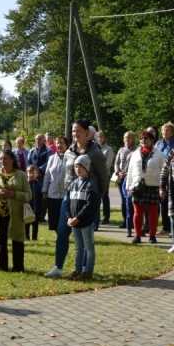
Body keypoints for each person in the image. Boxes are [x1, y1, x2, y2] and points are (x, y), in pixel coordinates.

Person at [44, 118, 108, 278]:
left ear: (87, 133)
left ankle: (85, 270)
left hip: (87, 200)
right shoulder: (69, 152)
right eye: (73, 131)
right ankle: (58, 267)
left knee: (85, 236)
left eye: (78, 131)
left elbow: (103, 178)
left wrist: (96, 198)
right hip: (69, 198)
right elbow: (67, 174)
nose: (75, 134)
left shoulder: (96, 153)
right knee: (62, 230)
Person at [0, 149, 31, 272]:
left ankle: (18, 267)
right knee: (1, 240)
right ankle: (2, 266)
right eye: (0, 159)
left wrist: (14, 194)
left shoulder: (21, 175)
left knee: (17, 239)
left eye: (5, 158)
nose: (2, 161)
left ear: (12, 160)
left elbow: (28, 195)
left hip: (16, 213)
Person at [126, 130, 165, 244]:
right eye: (142, 138)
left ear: (152, 140)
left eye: (146, 138)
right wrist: (129, 186)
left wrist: (163, 186)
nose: (143, 140)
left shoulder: (159, 153)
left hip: (153, 186)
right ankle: (137, 235)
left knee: (153, 212)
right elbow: (130, 170)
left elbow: (164, 170)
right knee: (138, 212)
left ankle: (152, 236)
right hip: (138, 186)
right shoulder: (135, 153)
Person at [67, 154, 100, 280]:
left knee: (88, 246)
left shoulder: (91, 185)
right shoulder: (73, 184)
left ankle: (88, 271)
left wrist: (78, 218)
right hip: (74, 222)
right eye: (75, 166)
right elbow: (68, 203)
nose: (77, 169)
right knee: (78, 247)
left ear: (86, 167)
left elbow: (90, 205)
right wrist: (69, 217)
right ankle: (78, 269)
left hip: (84, 222)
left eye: (80, 166)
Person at [154, 123, 174, 235]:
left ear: (172, 132)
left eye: (168, 130)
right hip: (160, 175)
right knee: (163, 202)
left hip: (172, 175)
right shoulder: (158, 143)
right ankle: (166, 227)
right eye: (164, 130)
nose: (165, 132)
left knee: (172, 202)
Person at [43, 135, 69, 233]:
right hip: (52, 193)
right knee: (53, 218)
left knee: (63, 218)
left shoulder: (70, 158)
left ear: (66, 145)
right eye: (57, 143)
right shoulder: (51, 158)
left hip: (65, 193)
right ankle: (58, 235)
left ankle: (63, 235)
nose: (59, 145)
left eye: (61, 143)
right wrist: (44, 190)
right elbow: (47, 175)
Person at [115, 131, 137, 233]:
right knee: (123, 200)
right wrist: (118, 172)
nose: (127, 140)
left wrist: (128, 173)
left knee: (131, 201)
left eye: (129, 138)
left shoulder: (136, 150)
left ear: (132, 139)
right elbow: (117, 162)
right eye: (125, 138)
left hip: (131, 178)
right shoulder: (121, 150)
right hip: (121, 178)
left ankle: (132, 221)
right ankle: (125, 220)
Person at [96, 131, 114, 225]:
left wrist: (99, 170)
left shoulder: (108, 149)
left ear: (104, 138)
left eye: (101, 137)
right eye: (98, 137)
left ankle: (106, 217)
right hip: (95, 175)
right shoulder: (94, 148)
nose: (100, 138)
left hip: (104, 175)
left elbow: (108, 163)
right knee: (96, 196)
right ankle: (96, 217)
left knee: (104, 196)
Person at [25, 165, 43, 240]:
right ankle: (26, 237)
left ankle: (34, 237)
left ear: (37, 174)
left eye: (33, 173)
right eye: (29, 173)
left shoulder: (40, 185)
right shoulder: (25, 184)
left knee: (35, 224)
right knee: (27, 223)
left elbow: (41, 196)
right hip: (28, 208)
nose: (31, 174)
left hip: (37, 209)